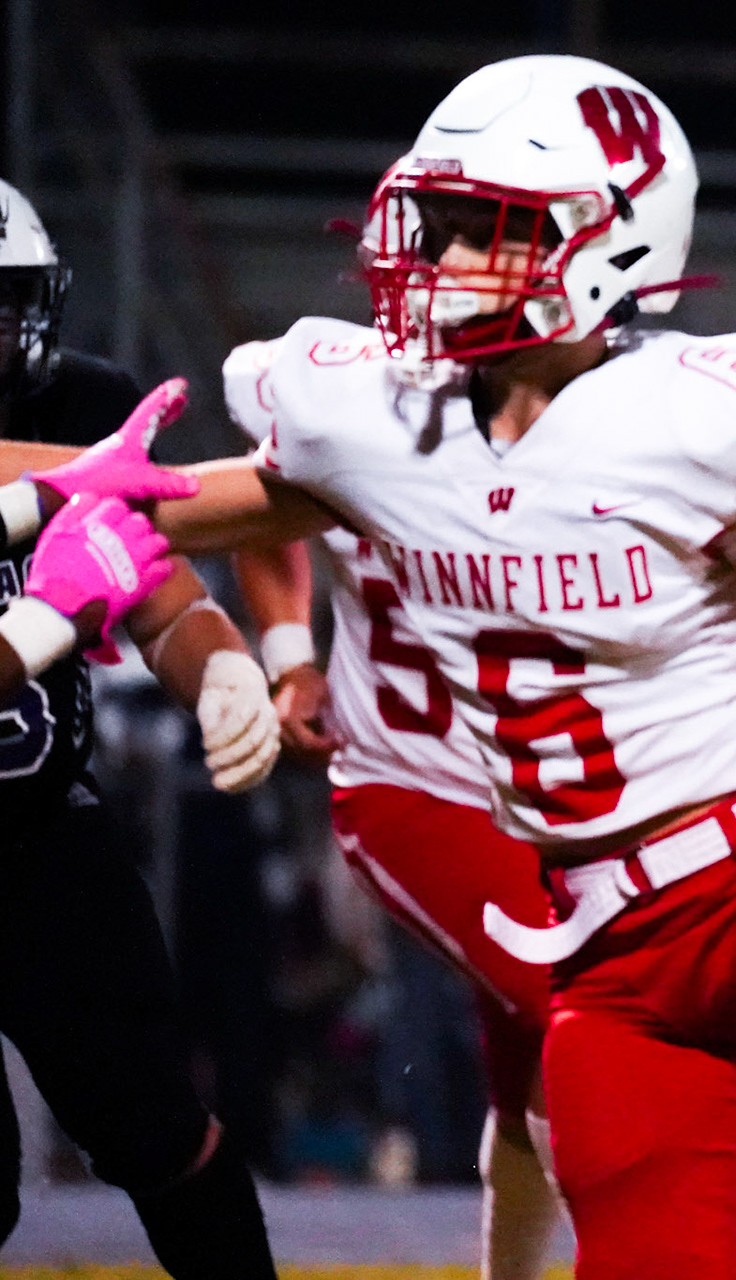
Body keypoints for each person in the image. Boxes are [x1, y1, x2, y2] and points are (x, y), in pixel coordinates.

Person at [13, 56, 736, 1280]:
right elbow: (144, 496)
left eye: (486, 228)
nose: (439, 257)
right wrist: (74, 511)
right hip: (604, 940)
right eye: (439, 222)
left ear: (607, 242)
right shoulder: (386, 422)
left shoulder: (685, 419)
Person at [0, 183, 281, 1275]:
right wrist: (44, 593)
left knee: (158, 1124)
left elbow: (159, 593)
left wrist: (222, 667)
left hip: (38, 828)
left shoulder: (78, 403)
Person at [229, 514, 560, 1277]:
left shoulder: (581, 444)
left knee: (534, 1062)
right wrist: (290, 660)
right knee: (594, 1017)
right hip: (414, 781)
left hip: (564, 785)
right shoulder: (359, 430)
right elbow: (254, 508)